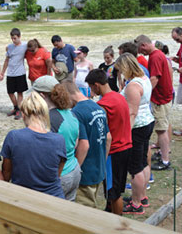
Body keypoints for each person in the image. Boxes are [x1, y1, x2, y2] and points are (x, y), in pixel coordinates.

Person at [1, 92, 67, 198]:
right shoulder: (59, 140)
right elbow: (57, 174)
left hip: (23, 197)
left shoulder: (13, 136)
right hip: (53, 198)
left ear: (23, 114)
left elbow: (6, 172)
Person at [86, 69, 132, 216]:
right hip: (125, 146)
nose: (92, 91)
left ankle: (117, 222)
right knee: (114, 188)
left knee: (113, 192)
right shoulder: (119, 97)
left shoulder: (103, 104)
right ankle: (109, 211)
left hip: (113, 151)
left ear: (97, 85)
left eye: (92, 87)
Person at [114, 53, 155, 215]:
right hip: (147, 122)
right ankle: (142, 197)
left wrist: (125, 132)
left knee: (135, 167)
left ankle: (136, 203)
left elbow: (132, 112)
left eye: (120, 70)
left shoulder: (132, 86)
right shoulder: (144, 78)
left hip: (137, 127)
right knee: (143, 163)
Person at [31, 75, 81, 201]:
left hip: (60, 175)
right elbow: (75, 143)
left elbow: (44, 153)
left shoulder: (49, 120)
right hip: (73, 170)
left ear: (42, 96)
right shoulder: (71, 113)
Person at [65, 80, 111, 209]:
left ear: (68, 95)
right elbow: (108, 137)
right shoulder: (97, 107)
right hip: (99, 168)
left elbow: (84, 145)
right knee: (93, 203)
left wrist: (76, 170)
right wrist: (103, 160)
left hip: (85, 172)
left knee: (84, 211)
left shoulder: (76, 113)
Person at [135, 35, 174, 170]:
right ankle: (163, 152)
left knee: (161, 130)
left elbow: (155, 79)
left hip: (160, 99)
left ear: (144, 45)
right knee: (163, 127)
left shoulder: (155, 57)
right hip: (165, 97)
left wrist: (144, 93)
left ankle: (165, 161)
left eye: (141, 50)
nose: (141, 53)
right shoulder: (158, 54)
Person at [0, 28, 28, 119]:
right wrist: (2, 72)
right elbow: (7, 60)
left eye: (15, 38)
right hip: (10, 73)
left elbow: (36, 46)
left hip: (20, 73)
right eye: (12, 38)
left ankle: (19, 110)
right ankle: (15, 107)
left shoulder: (25, 45)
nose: (13, 40)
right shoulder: (10, 47)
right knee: (10, 92)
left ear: (19, 37)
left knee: (20, 92)